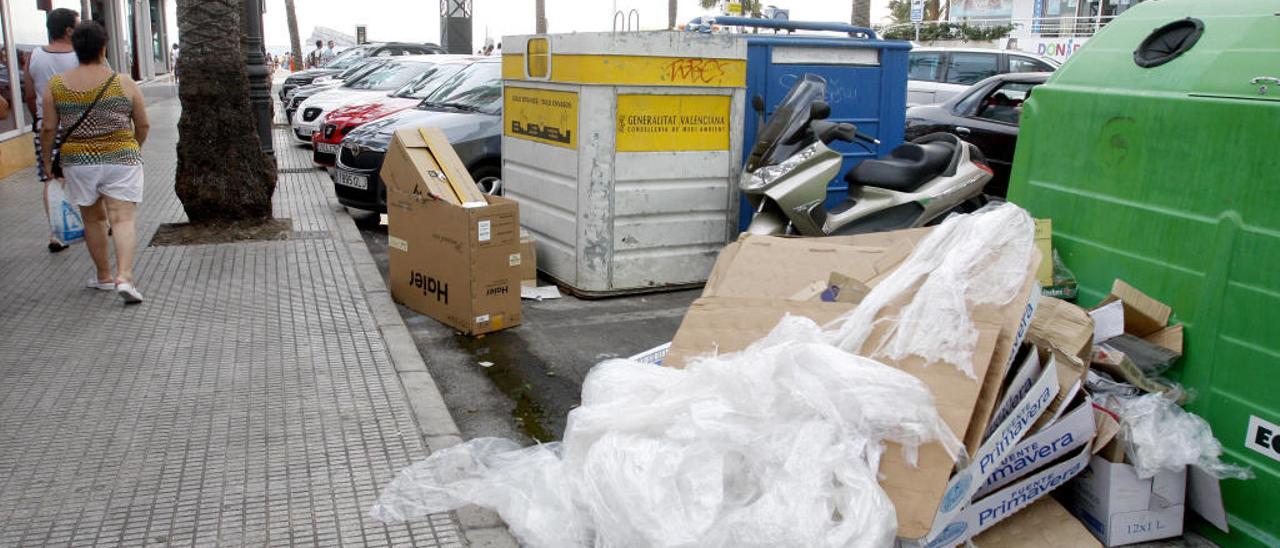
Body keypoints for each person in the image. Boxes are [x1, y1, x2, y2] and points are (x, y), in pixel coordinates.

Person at [40, 21, 151, 304]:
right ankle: (124, 277)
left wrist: (46, 160)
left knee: (93, 218)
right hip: (121, 158)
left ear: (75, 48)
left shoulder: (57, 85)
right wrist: (133, 148)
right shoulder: (123, 82)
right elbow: (143, 123)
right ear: (104, 47)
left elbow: (49, 128)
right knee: (122, 218)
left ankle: (103, 276)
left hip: (78, 161)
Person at [22, 7, 80, 252]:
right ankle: (103, 221)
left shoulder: (33, 56)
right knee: (91, 175)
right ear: (68, 30)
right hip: (79, 127)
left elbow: (28, 94)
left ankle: (56, 234)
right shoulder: (81, 55)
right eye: (77, 26)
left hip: (47, 128)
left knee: (52, 180)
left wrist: (40, 120)